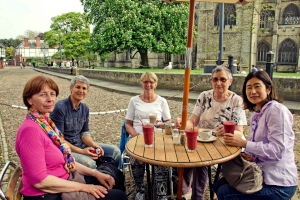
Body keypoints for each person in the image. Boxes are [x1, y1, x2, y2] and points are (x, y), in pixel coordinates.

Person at [16, 75, 127, 200]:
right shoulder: (31, 130)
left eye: (52, 94)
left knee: (114, 179)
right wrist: (84, 187)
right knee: (119, 196)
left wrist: (95, 173)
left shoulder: (45, 124)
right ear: (29, 100)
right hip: (49, 193)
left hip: (64, 177)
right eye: (43, 95)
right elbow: (40, 181)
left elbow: (67, 158)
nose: (50, 99)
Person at [214, 71, 298, 200]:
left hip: (279, 184)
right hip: (261, 174)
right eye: (249, 88)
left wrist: (243, 143)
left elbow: (277, 150)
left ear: (268, 89)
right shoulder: (257, 114)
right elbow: (260, 147)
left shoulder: (276, 110)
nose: (253, 91)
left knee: (225, 192)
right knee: (219, 184)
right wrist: (251, 155)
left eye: (257, 86)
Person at [175, 66, 247, 200]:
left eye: (223, 79)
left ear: (230, 81)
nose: (218, 83)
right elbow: (192, 121)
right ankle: (185, 191)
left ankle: (197, 196)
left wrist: (227, 130)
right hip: (202, 140)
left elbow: (239, 132)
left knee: (201, 161)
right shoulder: (204, 96)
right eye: (215, 79)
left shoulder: (236, 101)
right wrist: (184, 125)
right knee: (186, 151)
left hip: (223, 144)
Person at [50, 75, 121, 169]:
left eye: (84, 88)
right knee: (90, 163)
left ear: (87, 91)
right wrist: (81, 152)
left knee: (115, 152)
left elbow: (84, 134)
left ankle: (110, 176)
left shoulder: (84, 108)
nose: (81, 91)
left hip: (81, 145)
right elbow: (59, 140)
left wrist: (93, 145)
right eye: (78, 87)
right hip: (64, 149)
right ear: (71, 88)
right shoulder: (60, 108)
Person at [125, 72, 172, 200]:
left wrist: (161, 124)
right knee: (136, 159)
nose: (148, 85)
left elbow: (169, 123)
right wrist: (135, 134)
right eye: (145, 82)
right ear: (141, 84)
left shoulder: (162, 101)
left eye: (151, 82)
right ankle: (140, 189)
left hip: (157, 137)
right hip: (138, 136)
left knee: (162, 160)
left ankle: (161, 192)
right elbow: (127, 124)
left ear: (155, 84)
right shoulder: (134, 101)